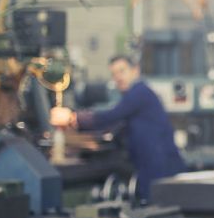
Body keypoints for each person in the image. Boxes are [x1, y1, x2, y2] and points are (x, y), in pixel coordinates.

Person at [50, 54, 185, 203]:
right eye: (114, 74)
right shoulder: (133, 97)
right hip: (150, 166)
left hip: (160, 166)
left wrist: (72, 118)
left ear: (135, 71)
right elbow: (113, 125)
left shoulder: (141, 92)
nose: (118, 77)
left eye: (122, 71)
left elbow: (110, 116)